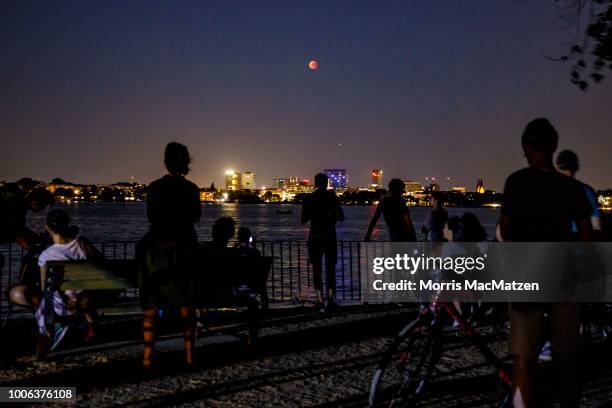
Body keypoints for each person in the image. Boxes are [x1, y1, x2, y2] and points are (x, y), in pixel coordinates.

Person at [499, 118, 592, 408]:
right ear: (553, 146)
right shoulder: (572, 189)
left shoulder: (516, 182)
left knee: (524, 360)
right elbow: (586, 237)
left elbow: (505, 229)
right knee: (567, 360)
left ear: (526, 148)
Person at [137, 142, 201, 369]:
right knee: (187, 305)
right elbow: (195, 217)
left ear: (165, 162)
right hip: (184, 249)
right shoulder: (191, 189)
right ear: (186, 162)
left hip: (156, 253)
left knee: (151, 307)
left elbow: (152, 217)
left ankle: (147, 356)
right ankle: (189, 355)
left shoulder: (154, 188)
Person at [8, 209, 100, 359]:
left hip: (62, 305)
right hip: (86, 298)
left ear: (48, 228)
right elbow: (101, 266)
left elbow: (46, 289)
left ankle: (54, 326)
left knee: (16, 292)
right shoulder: (83, 244)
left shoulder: (47, 255)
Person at [301, 173, 345, 312]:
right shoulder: (333, 197)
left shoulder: (310, 198)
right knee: (330, 269)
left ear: (315, 183)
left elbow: (303, 219)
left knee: (316, 270)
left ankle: (320, 300)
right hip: (330, 237)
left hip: (315, 237)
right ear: (326, 183)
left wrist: (314, 213)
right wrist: (330, 215)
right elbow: (342, 217)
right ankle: (330, 299)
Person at [556, 149, 602, 238]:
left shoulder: (551, 189)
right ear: (576, 166)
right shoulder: (586, 190)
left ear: (558, 166)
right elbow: (596, 225)